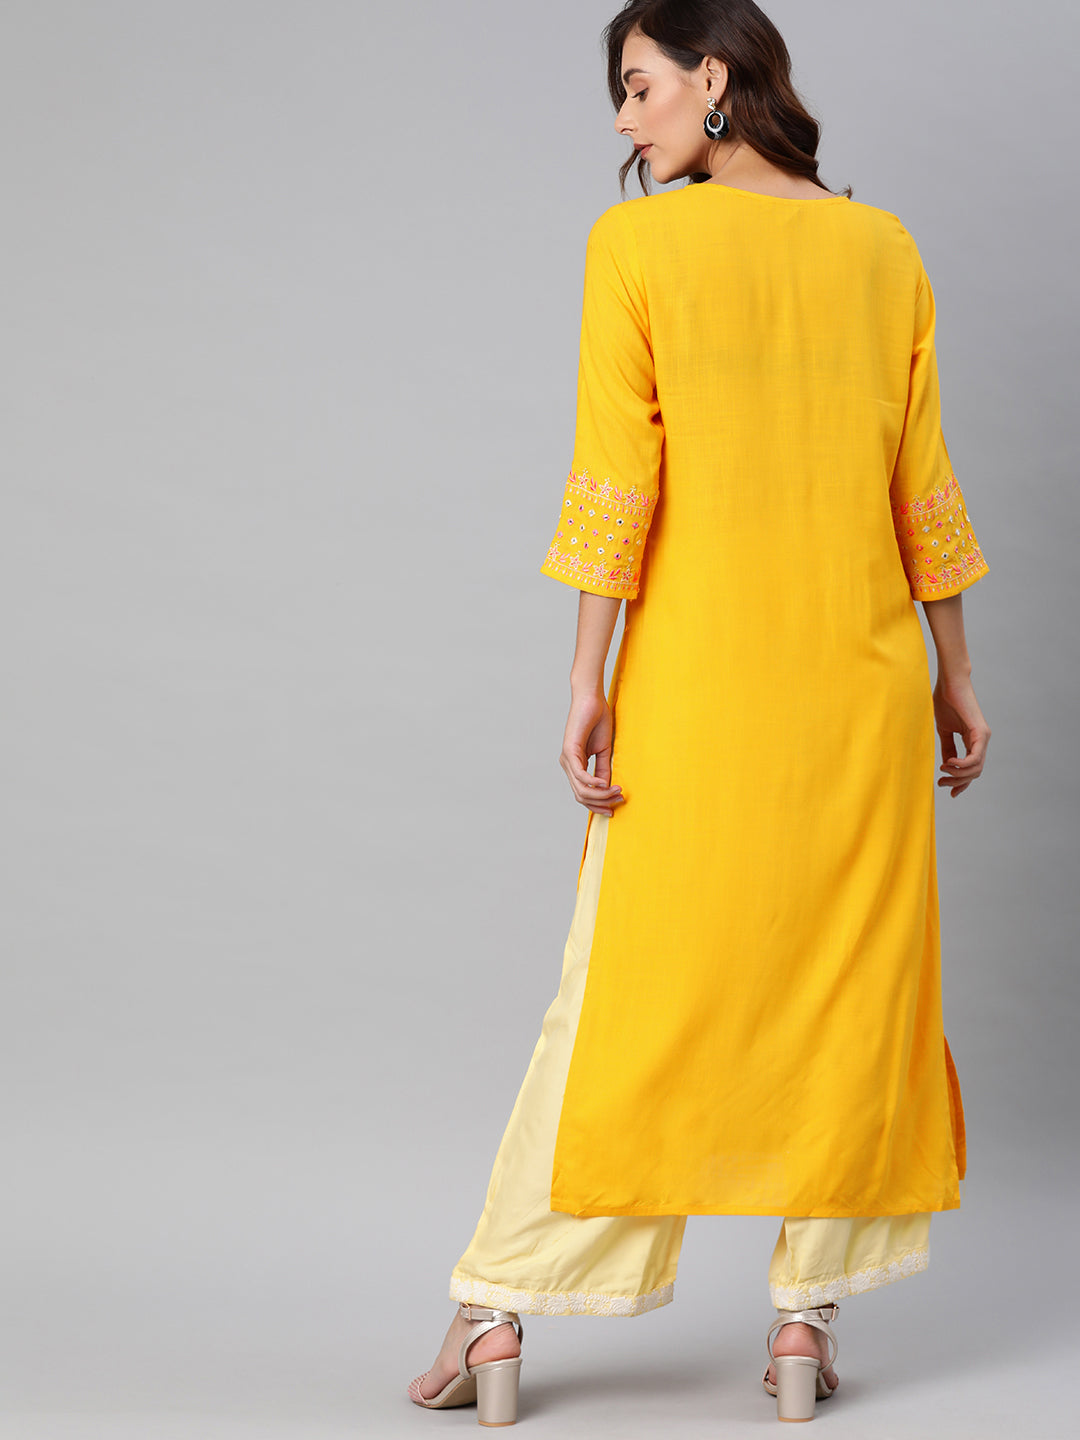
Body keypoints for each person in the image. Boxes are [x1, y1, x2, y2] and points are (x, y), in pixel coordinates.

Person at [408, 0, 991, 1425]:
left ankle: (501, 1304)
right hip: (860, 691)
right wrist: (955, 672)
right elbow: (921, 486)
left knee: (626, 1000)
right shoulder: (884, 248)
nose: (623, 119)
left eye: (637, 85)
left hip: (696, 688)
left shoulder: (636, 248)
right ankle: (801, 1328)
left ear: (712, 77)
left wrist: (587, 677)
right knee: (846, 995)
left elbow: (617, 481)